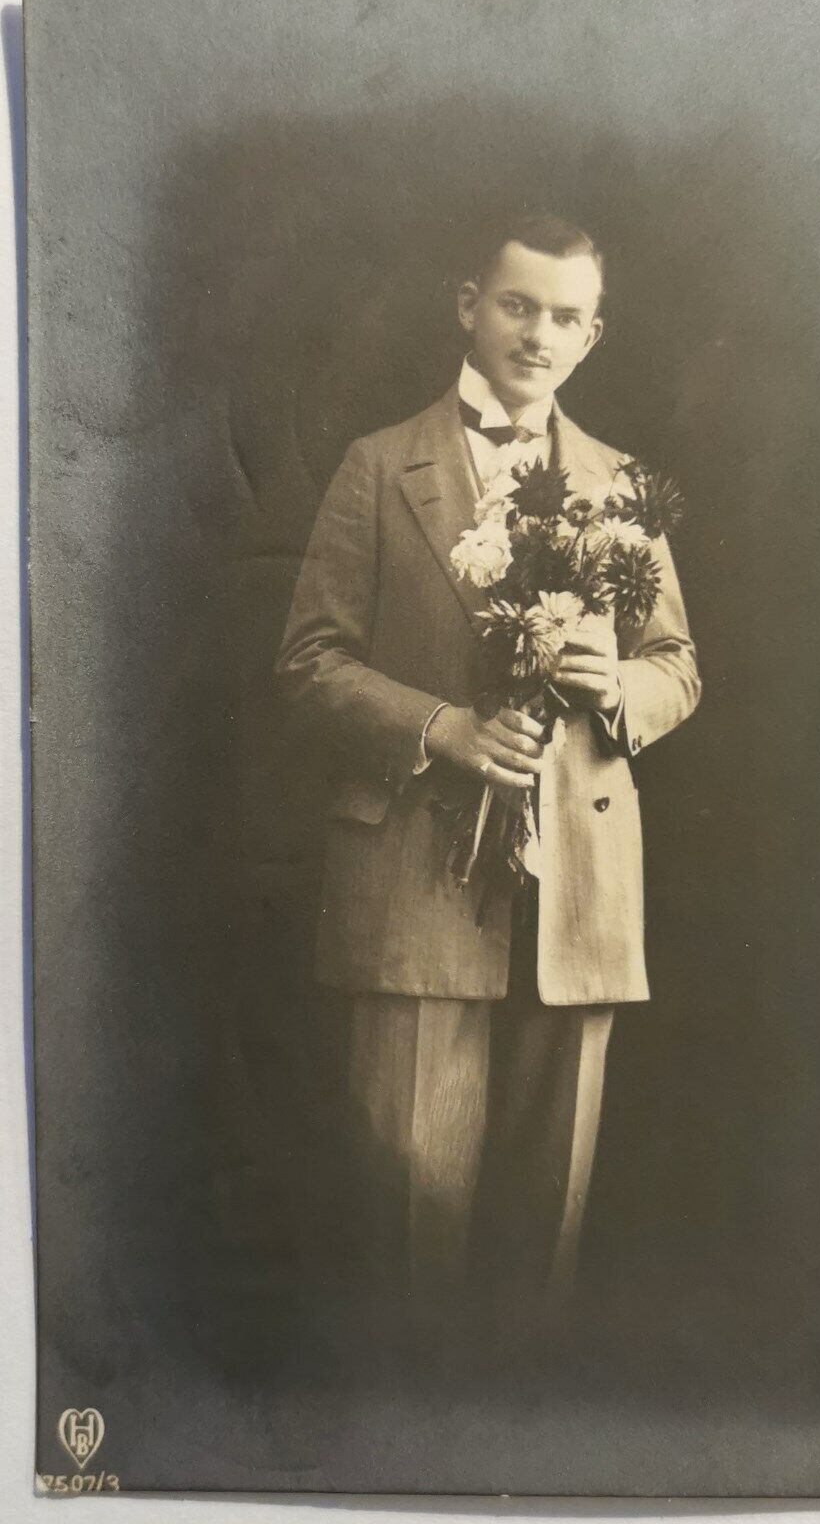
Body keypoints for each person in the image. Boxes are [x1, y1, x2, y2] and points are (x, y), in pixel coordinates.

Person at [276, 212, 701, 1322]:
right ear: (469, 304)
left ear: (594, 334)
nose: (538, 333)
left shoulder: (623, 484)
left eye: (565, 316)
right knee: (403, 1244)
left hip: (582, 900)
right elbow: (310, 661)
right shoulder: (379, 466)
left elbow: (677, 664)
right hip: (415, 887)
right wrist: (439, 729)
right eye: (518, 305)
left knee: (541, 1248)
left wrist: (621, 686)